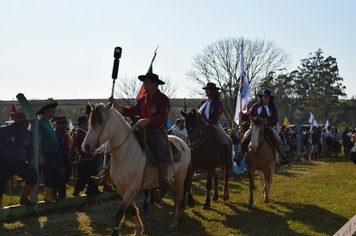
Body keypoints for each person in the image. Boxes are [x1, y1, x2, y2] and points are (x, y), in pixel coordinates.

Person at [109, 72, 171, 194]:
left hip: (156, 131)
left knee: (161, 146)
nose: (144, 84)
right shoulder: (143, 99)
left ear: (154, 83)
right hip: (141, 130)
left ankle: (164, 177)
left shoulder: (163, 99)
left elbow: (163, 117)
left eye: (146, 82)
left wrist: (148, 120)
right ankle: (108, 172)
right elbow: (131, 111)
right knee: (124, 143)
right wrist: (116, 105)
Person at [0, 112, 38, 207]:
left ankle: (24, 198)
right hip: (5, 162)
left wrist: (29, 163)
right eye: (24, 123)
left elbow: (29, 148)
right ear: (17, 124)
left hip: (20, 163)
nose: (26, 124)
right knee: (0, 183)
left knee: (32, 175)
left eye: (27, 122)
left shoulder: (28, 134)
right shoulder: (4, 130)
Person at [239, 89, 289, 160]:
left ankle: (282, 153)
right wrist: (242, 115)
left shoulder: (272, 108)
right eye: (264, 96)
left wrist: (267, 122)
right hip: (255, 127)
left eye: (267, 97)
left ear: (269, 98)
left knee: (276, 137)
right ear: (262, 97)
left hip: (267, 127)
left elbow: (275, 120)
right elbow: (248, 116)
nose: (265, 98)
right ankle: (240, 154)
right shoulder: (255, 106)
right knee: (245, 136)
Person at [37, 102, 64, 203]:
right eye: (51, 110)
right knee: (50, 173)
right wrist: (41, 156)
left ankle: (52, 194)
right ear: (45, 112)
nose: (53, 112)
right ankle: (47, 195)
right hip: (46, 153)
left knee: (55, 173)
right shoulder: (41, 123)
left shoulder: (48, 122)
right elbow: (39, 140)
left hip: (54, 153)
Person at [198, 82, 228, 162]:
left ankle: (224, 156)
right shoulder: (202, 103)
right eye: (206, 89)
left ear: (213, 91)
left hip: (214, 123)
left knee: (223, 135)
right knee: (190, 135)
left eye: (207, 89)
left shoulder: (218, 103)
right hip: (202, 124)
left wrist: (209, 122)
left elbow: (216, 115)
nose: (206, 91)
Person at [72, 116, 98, 206]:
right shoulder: (82, 135)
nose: (88, 124)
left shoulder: (82, 133)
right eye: (86, 123)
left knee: (82, 181)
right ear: (82, 124)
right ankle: (90, 202)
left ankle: (74, 199)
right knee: (91, 182)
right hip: (87, 161)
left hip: (86, 160)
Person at [55, 116, 72, 198]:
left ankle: (62, 194)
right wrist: (61, 165)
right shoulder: (57, 134)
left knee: (67, 176)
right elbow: (57, 150)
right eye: (65, 123)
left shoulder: (64, 133)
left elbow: (70, 143)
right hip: (61, 158)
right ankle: (61, 195)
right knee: (62, 178)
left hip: (66, 156)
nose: (66, 125)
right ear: (61, 124)